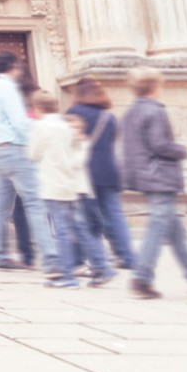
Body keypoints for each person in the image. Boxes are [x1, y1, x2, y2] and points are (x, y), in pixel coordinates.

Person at [121, 68, 187, 300]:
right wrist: (181, 149)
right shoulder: (155, 111)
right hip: (160, 176)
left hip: (144, 175)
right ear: (155, 87)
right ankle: (142, 278)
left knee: (177, 235)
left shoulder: (131, 111)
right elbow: (159, 145)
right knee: (157, 227)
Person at [0, 51, 60, 275]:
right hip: (14, 149)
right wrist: (38, 141)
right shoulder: (8, 88)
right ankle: (51, 258)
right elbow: (20, 123)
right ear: (14, 66)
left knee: (1, 207)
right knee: (35, 203)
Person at [27, 91, 115, 289]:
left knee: (62, 231)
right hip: (72, 184)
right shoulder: (66, 126)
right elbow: (76, 154)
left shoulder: (41, 126)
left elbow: (32, 153)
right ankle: (102, 267)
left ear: (38, 108)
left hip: (53, 184)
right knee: (80, 229)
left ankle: (68, 276)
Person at [66, 77, 135, 271]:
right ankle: (126, 256)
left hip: (84, 170)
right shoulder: (109, 117)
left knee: (84, 216)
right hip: (108, 169)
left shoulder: (73, 113)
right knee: (114, 214)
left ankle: (88, 258)